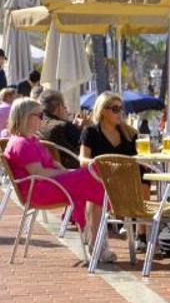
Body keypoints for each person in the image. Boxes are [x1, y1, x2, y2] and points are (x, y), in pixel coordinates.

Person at [3, 98, 112, 262]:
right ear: (26, 117)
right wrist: (65, 173)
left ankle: (94, 238)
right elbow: (39, 172)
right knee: (94, 174)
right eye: (39, 115)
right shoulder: (21, 144)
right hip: (39, 190)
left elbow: (48, 167)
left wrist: (63, 171)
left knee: (92, 179)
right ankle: (96, 237)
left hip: (47, 185)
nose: (42, 118)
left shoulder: (31, 140)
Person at [79, 92, 151, 251]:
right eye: (115, 109)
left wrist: (147, 159)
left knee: (144, 178)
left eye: (121, 109)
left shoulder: (130, 133)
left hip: (128, 182)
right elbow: (82, 160)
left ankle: (142, 235)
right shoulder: (90, 132)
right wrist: (101, 164)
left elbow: (139, 157)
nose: (120, 113)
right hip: (103, 179)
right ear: (103, 110)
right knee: (94, 187)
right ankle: (95, 239)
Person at [36, 89, 82, 169]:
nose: (67, 110)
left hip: (50, 169)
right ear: (59, 107)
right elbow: (88, 145)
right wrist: (86, 129)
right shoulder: (63, 126)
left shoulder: (37, 126)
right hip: (72, 169)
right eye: (65, 107)